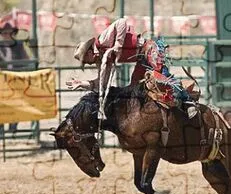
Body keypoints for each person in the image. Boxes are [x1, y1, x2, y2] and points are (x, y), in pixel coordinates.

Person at [67, 18, 198, 119]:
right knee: (134, 87)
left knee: (161, 75)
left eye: (85, 60)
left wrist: (118, 43)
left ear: (89, 53)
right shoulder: (103, 60)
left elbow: (121, 22)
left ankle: (188, 101)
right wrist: (82, 84)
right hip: (141, 58)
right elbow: (103, 83)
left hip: (149, 48)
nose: (88, 63)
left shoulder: (103, 40)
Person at [0, 22, 31, 135]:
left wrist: (23, 70)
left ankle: (13, 128)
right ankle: (1, 129)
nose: (7, 35)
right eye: (4, 33)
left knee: (16, 104)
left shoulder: (19, 45)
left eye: (9, 32)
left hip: (16, 79)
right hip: (2, 81)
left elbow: (26, 60)